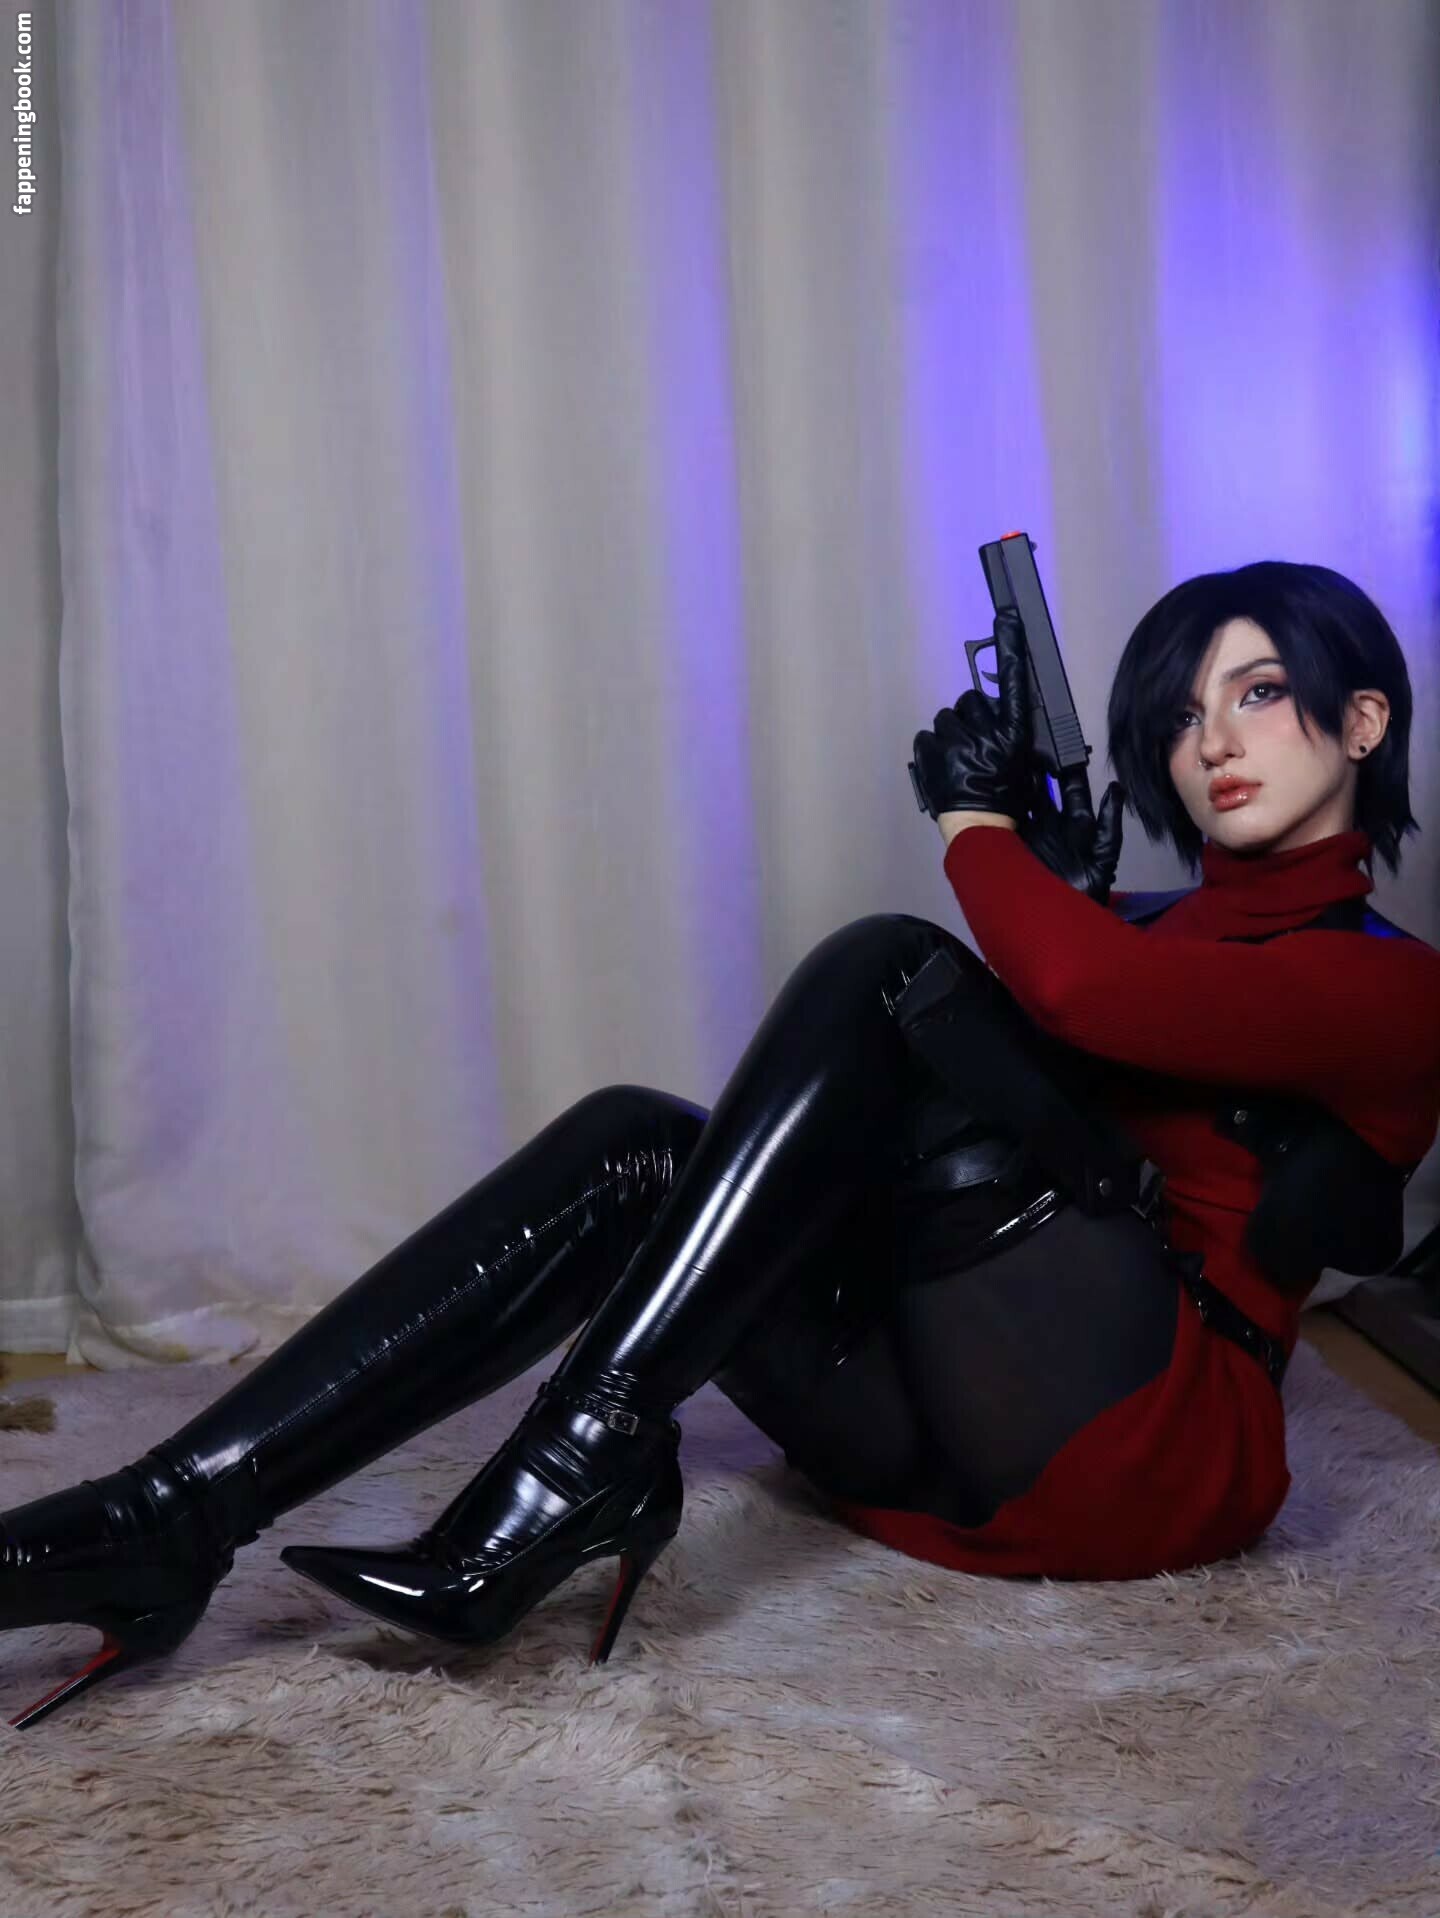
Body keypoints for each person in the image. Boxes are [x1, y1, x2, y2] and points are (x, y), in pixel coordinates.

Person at [3, 559, 1438, 1731]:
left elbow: (1081, 1000)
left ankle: (570, 1465)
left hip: (1146, 1457)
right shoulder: (1135, 927)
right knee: (641, 1150)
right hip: (942, 1430)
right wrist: (1052, 885)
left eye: (1258, 693)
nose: (1214, 742)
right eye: (1184, 714)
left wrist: (975, 826)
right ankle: (168, 1515)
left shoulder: (1393, 984)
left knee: (891, 963)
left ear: (1363, 720)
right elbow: (1061, 1032)